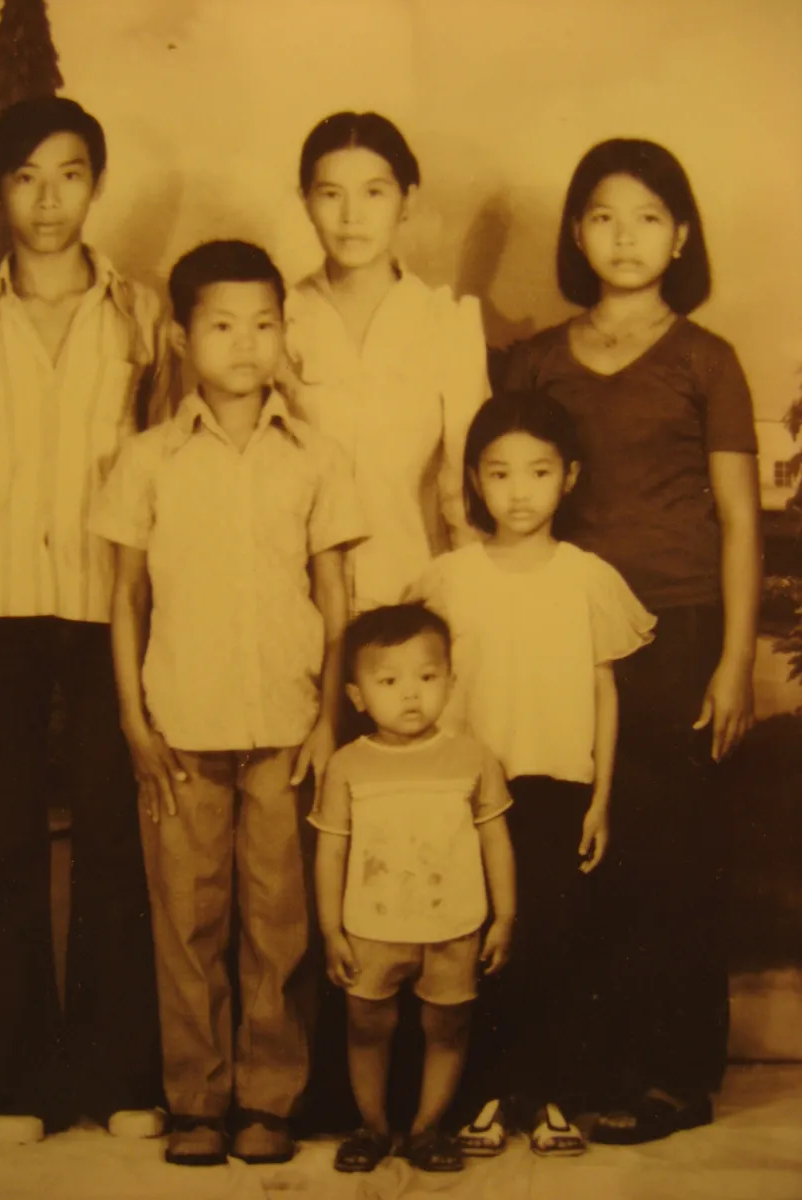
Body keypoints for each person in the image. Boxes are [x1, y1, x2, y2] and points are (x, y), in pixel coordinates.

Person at [493, 138, 761, 1143]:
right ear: (576, 232)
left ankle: (675, 1073)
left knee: (674, 855)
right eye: (604, 215)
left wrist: (733, 660)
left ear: (681, 235)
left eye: (650, 216)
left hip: (683, 628)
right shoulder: (538, 361)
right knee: (577, 850)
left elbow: (738, 518)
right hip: (563, 630)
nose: (626, 236)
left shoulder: (707, 360)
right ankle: (584, 1066)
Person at [0, 96, 170, 1143]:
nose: (49, 197)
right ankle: (13, 1082)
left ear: (95, 183)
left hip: (114, 608)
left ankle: (119, 1076)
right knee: (7, 844)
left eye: (70, 173)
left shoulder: (142, 316)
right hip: (0, 612)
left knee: (117, 838)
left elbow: (172, 474)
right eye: (25, 176)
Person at [91, 240, 366, 1167]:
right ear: (180, 336)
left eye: (263, 323)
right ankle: (198, 1102)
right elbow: (126, 600)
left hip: (289, 730)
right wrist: (134, 722)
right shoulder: (147, 460)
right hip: (181, 727)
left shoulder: (317, 457)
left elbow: (337, 602)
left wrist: (329, 719)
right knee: (188, 922)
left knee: (280, 926)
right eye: (221, 324)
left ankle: (269, 1101)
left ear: (284, 334)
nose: (245, 343)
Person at [414, 393, 655, 1156]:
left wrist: (602, 801)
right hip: (469, 793)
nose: (519, 491)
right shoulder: (448, 579)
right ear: (474, 482)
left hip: (560, 787)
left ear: (569, 477)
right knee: (478, 944)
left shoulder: (588, 577)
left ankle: (550, 1094)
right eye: (500, 473)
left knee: (554, 940)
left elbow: (603, 693)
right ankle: (484, 1095)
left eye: (539, 471)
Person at [310, 602, 516, 1174]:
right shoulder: (349, 766)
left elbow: (496, 840)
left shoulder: (472, 758)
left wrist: (504, 917)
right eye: (389, 681)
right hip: (372, 927)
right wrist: (331, 928)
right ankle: (372, 1128)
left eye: (427, 678)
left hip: (453, 925)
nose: (410, 695)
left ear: (450, 682)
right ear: (356, 696)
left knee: (447, 1026)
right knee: (367, 1027)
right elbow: (332, 851)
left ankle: (428, 1130)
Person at [283, 111, 488, 613]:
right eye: (331, 194)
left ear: (407, 201)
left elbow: (465, 483)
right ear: (304, 200)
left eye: (374, 192)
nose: (351, 216)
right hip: (295, 597)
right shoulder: (276, 320)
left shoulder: (446, 322)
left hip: (416, 597)